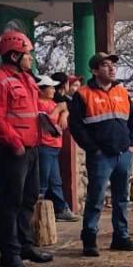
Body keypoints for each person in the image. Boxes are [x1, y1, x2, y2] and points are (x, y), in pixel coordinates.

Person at [0, 30, 53, 267]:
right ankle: (9, 253)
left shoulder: (27, 79)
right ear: (14, 55)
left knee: (29, 198)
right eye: (27, 54)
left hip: (31, 148)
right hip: (10, 150)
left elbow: (31, 112)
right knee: (10, 201)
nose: (31, 58)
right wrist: (16, 143)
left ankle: (25, 246)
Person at [69, 52, 133, 257]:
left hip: (123, 154)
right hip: (100, 156)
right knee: (96, 197)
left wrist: (132, 144)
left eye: (113, 65)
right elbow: (76, 126)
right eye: (106, 65)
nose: (112, 68)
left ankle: (121, 236)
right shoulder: (83, 94)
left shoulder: (122, 92)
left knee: (122, 198)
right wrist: (94, 149)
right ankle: (89, 239)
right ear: (94, 70)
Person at [35, 74, 77, 222]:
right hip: (44, 145)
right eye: (50, 87)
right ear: (41, 90)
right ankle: (36, 212)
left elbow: (65, 107)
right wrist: (59, 110)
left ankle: (61, 209)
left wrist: (64, 112)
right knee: (43, 181)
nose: (54, 90)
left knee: (56, 181)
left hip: (54, 146)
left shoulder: (52, 102)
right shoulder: (38, 103)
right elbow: (46, 122)